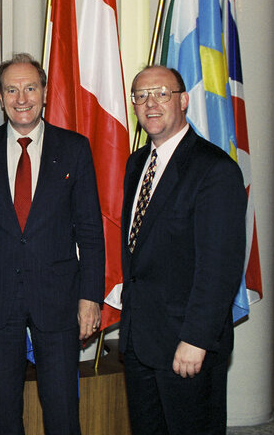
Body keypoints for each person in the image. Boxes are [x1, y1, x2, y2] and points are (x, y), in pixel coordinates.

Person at [0, 53, 105, 434]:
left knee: (63, 409)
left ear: (45, 92)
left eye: (30, 87)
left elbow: (91, 232)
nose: (22, 98)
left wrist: (90, 297)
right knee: (4, 412)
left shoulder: (75, 148)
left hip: (59, 301)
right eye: (11, 89)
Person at [120, 65, 246, 434]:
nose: (151, 104)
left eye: (161, 93)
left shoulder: (214, 169)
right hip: (141, 343)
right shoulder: (136, 163)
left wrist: (196, 339)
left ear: (184, 100)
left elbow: (220, 267)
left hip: (187, 347)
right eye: (141, 96)